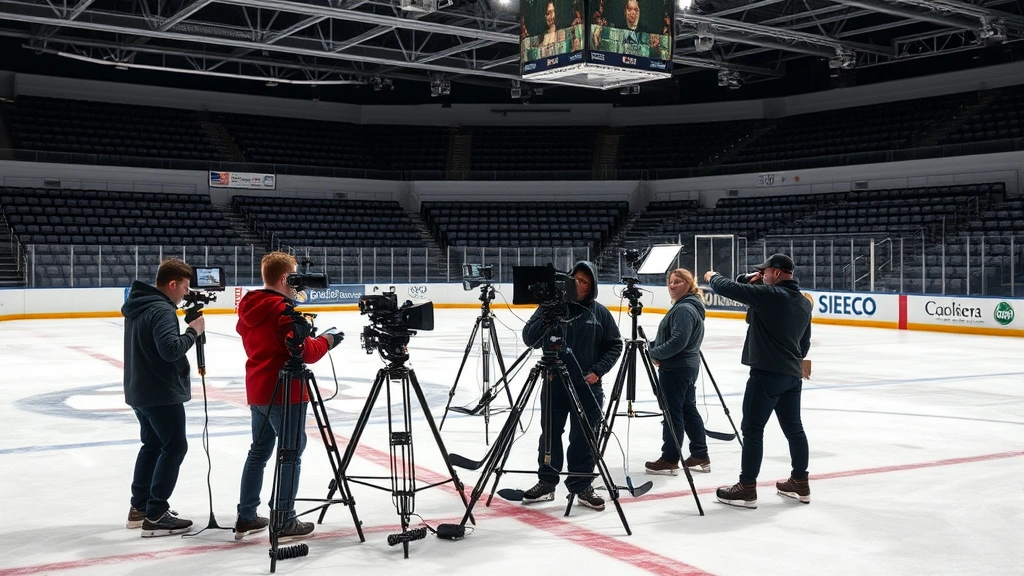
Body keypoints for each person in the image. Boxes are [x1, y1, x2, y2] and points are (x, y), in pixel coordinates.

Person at [234, 251, 341, 541]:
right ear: (284, 278)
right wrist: (328, 341)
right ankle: (284, 518)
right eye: (295, 277)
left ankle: (246, 515)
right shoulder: (281, 310)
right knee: (291, 453)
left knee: (258, 452)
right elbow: (305, 352)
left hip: (259, 389)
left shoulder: (251, 306)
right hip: (285, 391)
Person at [704, 253, 812, 509]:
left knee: (752, 430)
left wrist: (712, 276)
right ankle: (800, 481)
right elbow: (804, 344)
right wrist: (752, 278)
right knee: (794, 429)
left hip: (766, 374)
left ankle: (747, 486)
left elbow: (730, 288)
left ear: (777, 273)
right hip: (791, 375)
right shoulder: (803, 303)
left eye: (765, 272)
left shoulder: (771, 295)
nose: (762, 276)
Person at [521, 262, 623, 511]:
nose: (577, 284)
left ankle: (582, 485)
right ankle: (547, 482)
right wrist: (546, 314)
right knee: (550, 434)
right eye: (574, 279)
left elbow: (615, 345)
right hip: (553, 383)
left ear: (592, 287)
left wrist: (598, 370)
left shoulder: (599, 313)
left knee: (584, 438)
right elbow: (529, 338)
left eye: (584, 281)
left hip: (587, 387)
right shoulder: (550, 307)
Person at [122, 258, 205, 537]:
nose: (186, 293)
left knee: (153, 444)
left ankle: (140, 507)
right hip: (160, 392)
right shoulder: (162, 310)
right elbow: (170, 350)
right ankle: (156, 513)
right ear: (172, 284)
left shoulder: (140, 305)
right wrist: (193, 331)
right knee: (175, 446)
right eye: (185, 287)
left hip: (140, 389)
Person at [644, 268, 710, 476]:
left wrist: (654, 352)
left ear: (689, 285)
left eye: (677, 282)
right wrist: (655, 346)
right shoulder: (688, 306)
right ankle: (700, 454)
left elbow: (678, 342)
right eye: (670, 282)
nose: (672, 286)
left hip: (676, 368)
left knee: (672, 413)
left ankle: (670, 458)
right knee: (688, 409)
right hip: (685, 366)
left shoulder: (684, 309)